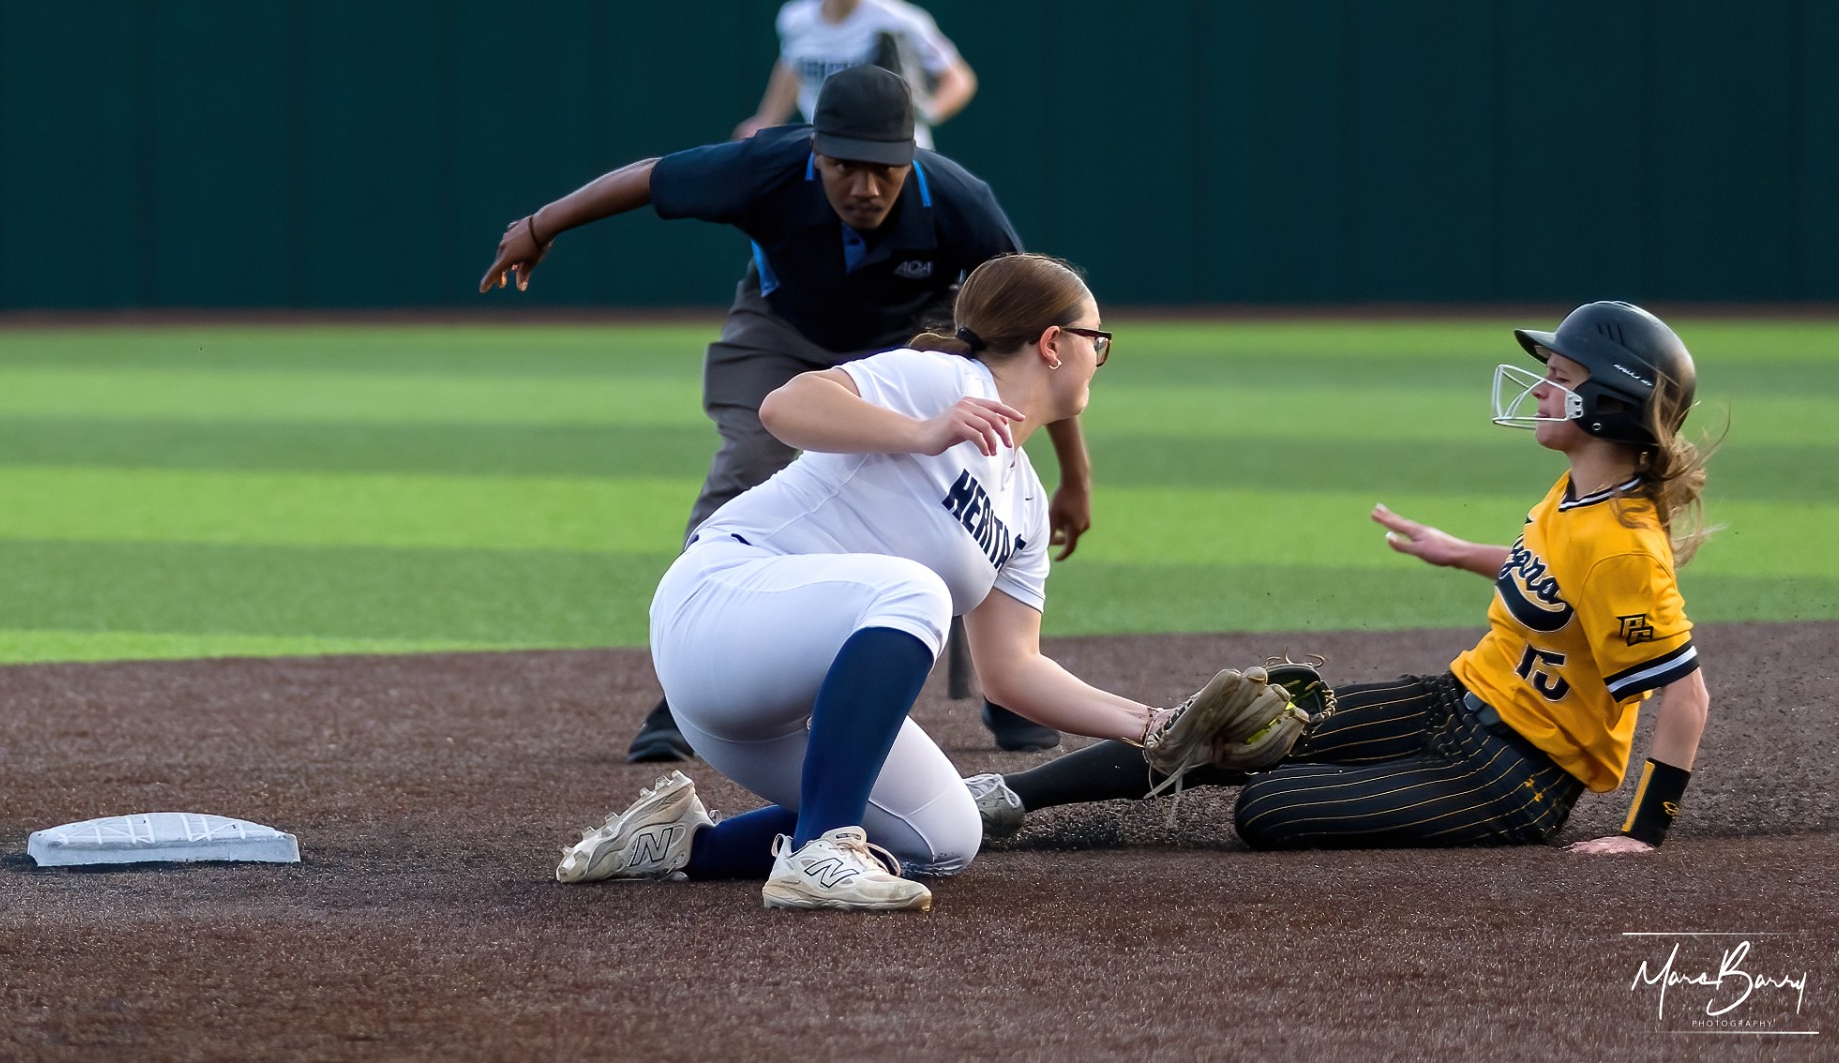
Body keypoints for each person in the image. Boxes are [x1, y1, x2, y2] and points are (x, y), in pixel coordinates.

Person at [548, 254, 1286, 911]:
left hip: (777, 717)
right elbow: (783, 407)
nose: (1102, 356)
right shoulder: (940, 379)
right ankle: (821, 852)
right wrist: (924, 430)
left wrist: (1154, 724)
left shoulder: (1024, 502)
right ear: (1053, 344)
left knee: (947, 839)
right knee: (913, 591)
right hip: (719, 607)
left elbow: (1013, 673)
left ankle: (681, 844)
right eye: (1098, 340)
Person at [481, 64, 1082, 761]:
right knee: (750, 461)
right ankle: (691, 682)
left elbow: (1044, 343)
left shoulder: (956, 199)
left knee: (970, 477)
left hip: (908, 336)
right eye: (842, 167)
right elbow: (650, 177)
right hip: (781, 329)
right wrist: (537, 225)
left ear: (911, 156)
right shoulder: (766, 167)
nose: (864, 187)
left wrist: (1076, 477)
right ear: (814, 152)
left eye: (884, 169)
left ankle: (1003, 688)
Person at [966, 301, 1719, 856]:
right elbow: (1555, 579)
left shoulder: (1625, 549)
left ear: (1609, 403)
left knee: (1269, 807)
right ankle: (1002, 799)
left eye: (1558, 377)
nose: (1540, 389)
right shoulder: (1578, 493)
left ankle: (1396, 779)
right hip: (1455, 702)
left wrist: (1644, 834)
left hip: (1516, 777)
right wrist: (1460, 552)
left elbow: (1684, 694)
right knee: (1230, 723)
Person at [734, 0, 978, 151]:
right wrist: (766, 120)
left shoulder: (900, 20)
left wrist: (925, 112)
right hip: (829, 152)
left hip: (895, 157)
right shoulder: (795, 18)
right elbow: (792, 65)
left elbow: (959, 79)